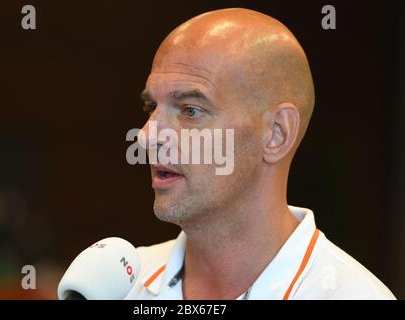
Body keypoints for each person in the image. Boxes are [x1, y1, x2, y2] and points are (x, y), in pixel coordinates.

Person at [125, 8, 395, 300]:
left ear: (276, 134)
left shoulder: (351, 295)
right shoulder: (119, 286)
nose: (147, 135)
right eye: (151, 107)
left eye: (191, 110)